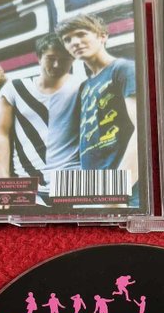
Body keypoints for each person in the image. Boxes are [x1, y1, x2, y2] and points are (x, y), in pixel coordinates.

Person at [0, 33, 81, 203]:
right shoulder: (16, 87)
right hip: (27, 181)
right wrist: (4, 182)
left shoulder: (81, 86)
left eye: (64, 59)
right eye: (51, 58)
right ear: (39, 57)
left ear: (73, 59)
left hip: (72, 181)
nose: (56, 65)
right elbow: (1, 134)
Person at [56, 14, 138, 187]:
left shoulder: (122, 69)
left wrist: (121, 185)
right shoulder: (85, 87)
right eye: (67, 39)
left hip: (123, 186)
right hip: (95, 185)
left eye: (81, 34)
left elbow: (142, 130)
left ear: (103, 36)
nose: (74, 42)